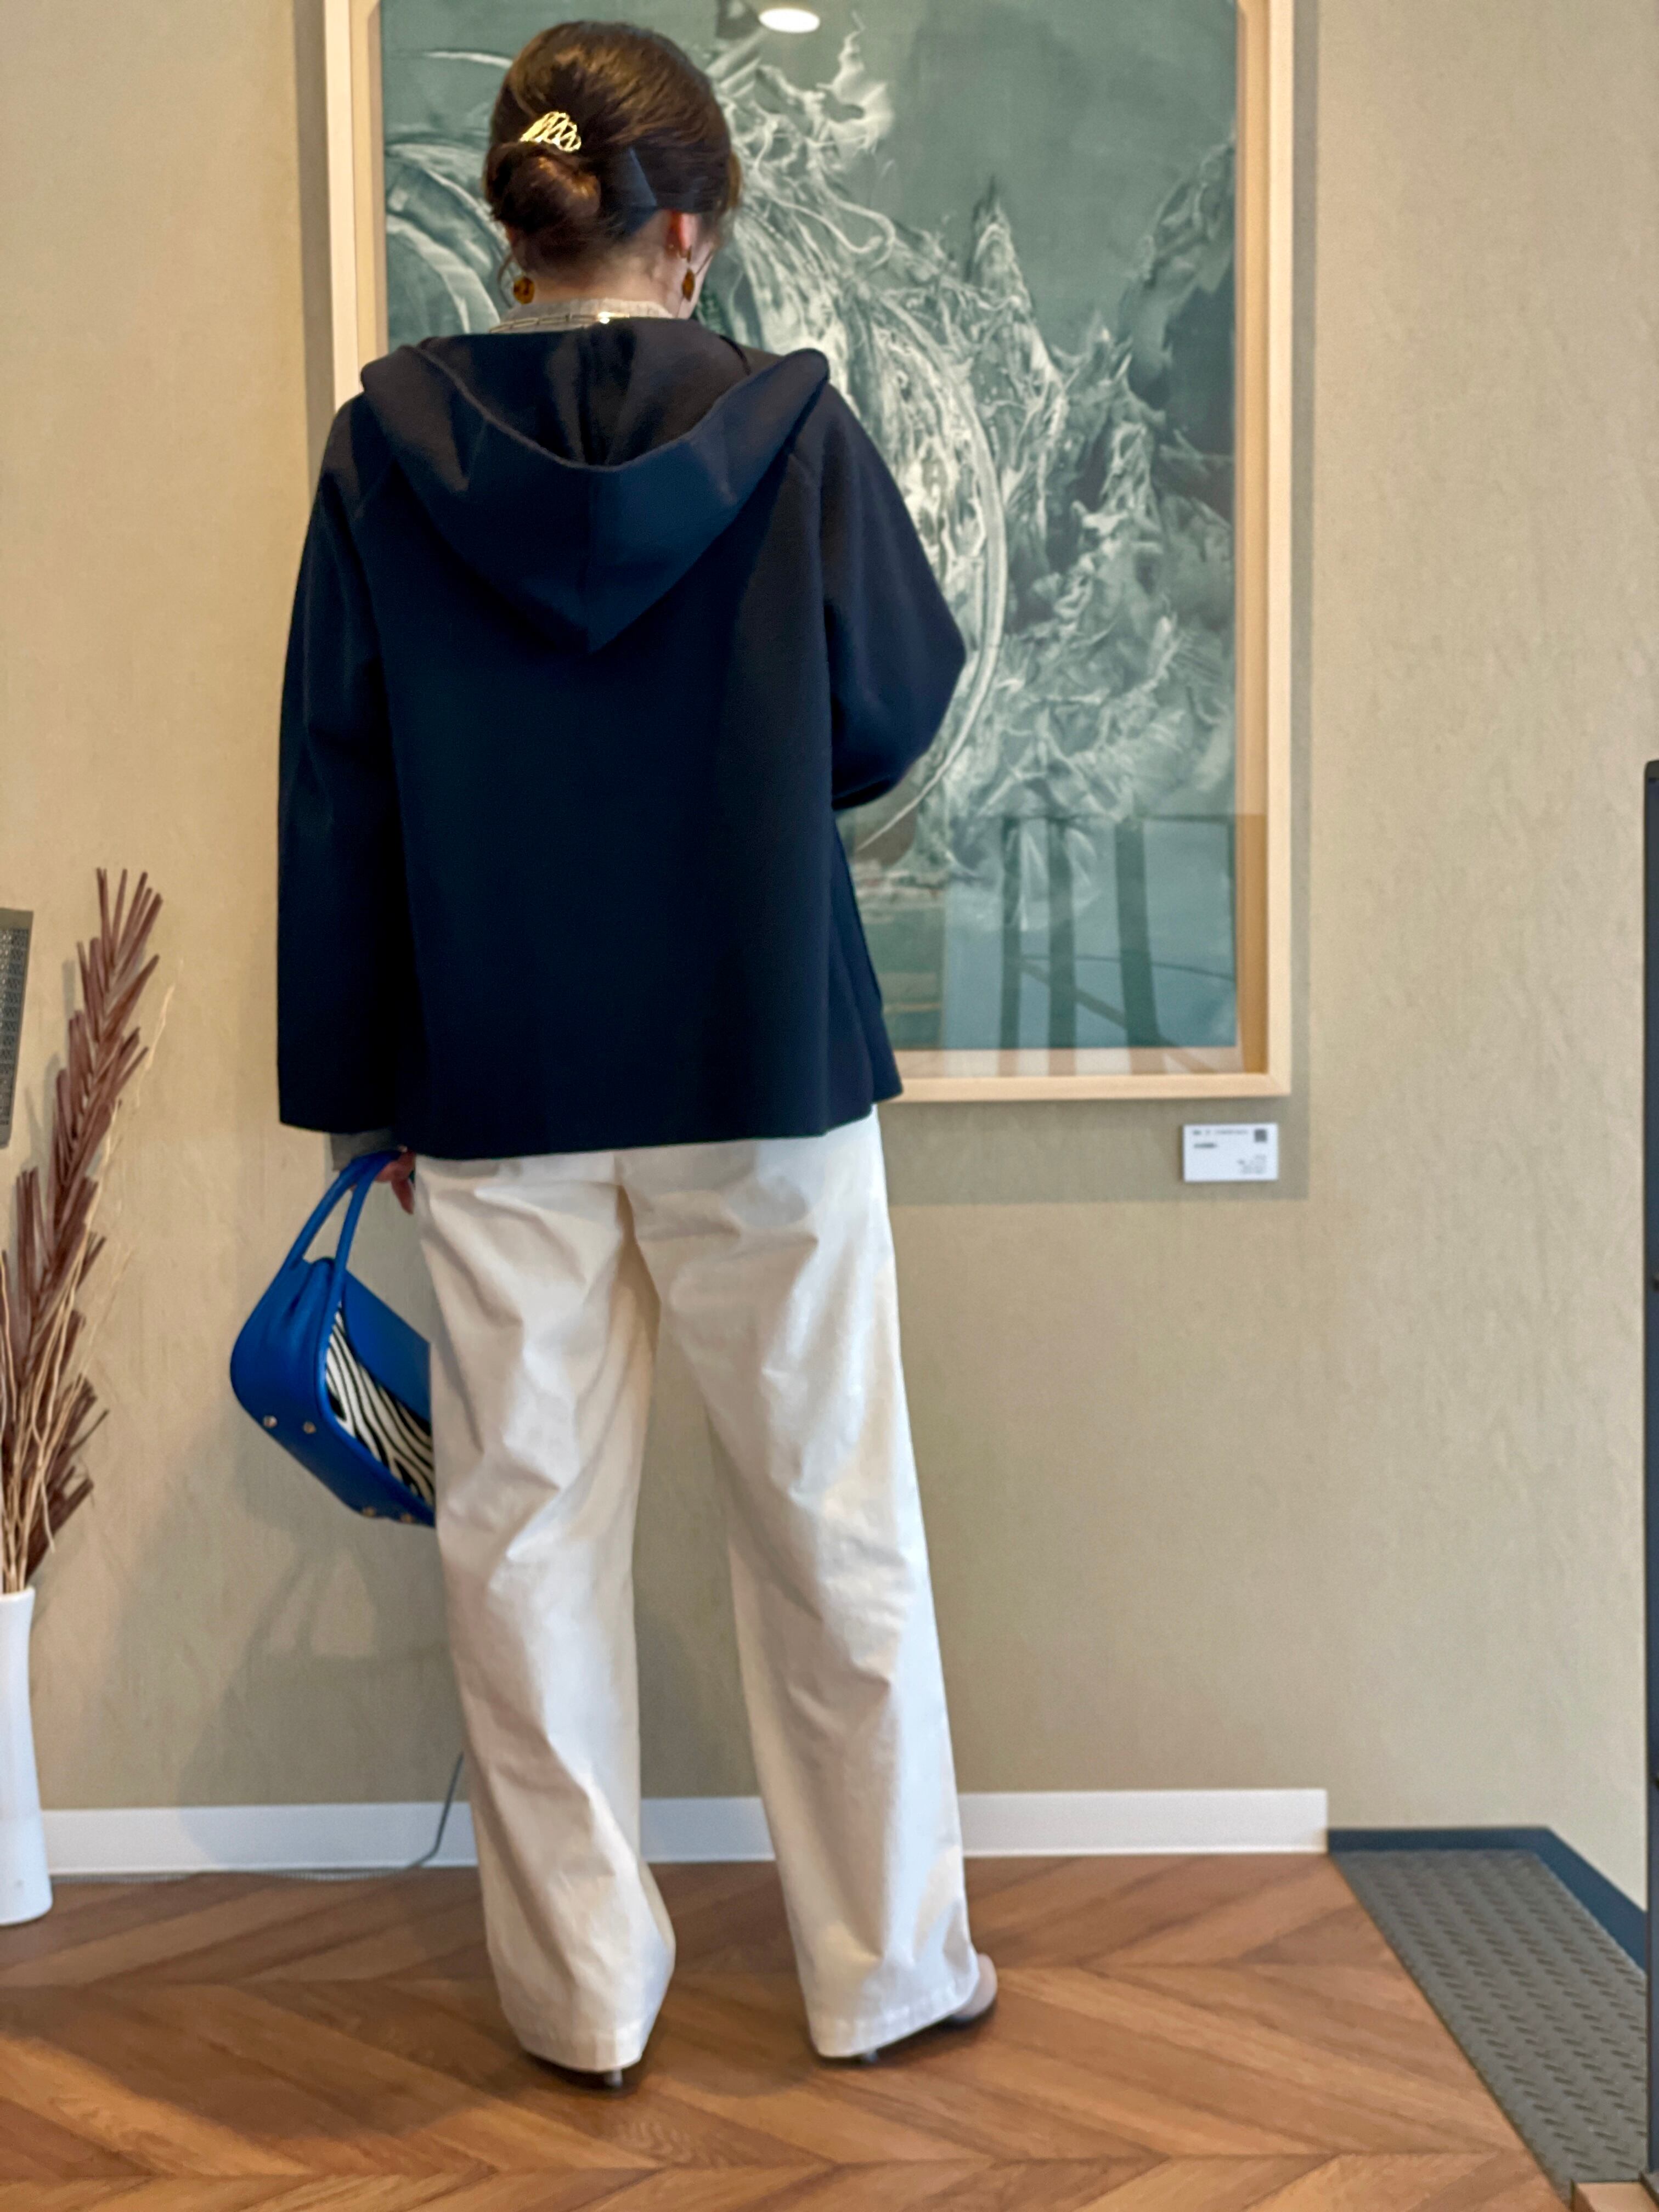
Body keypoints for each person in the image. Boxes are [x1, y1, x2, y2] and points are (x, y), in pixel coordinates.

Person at [276, 18, 993, 2087]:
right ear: (687, 237)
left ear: (523, 227)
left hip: (496, 1068)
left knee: (523, 1545)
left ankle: (584, 2000)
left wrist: (357, 1093)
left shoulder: (382, 450)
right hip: (756, 1046)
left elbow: (336, 788)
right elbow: (892, 713)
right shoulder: (793, 431)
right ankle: (886, 1972)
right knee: (831, 1527)